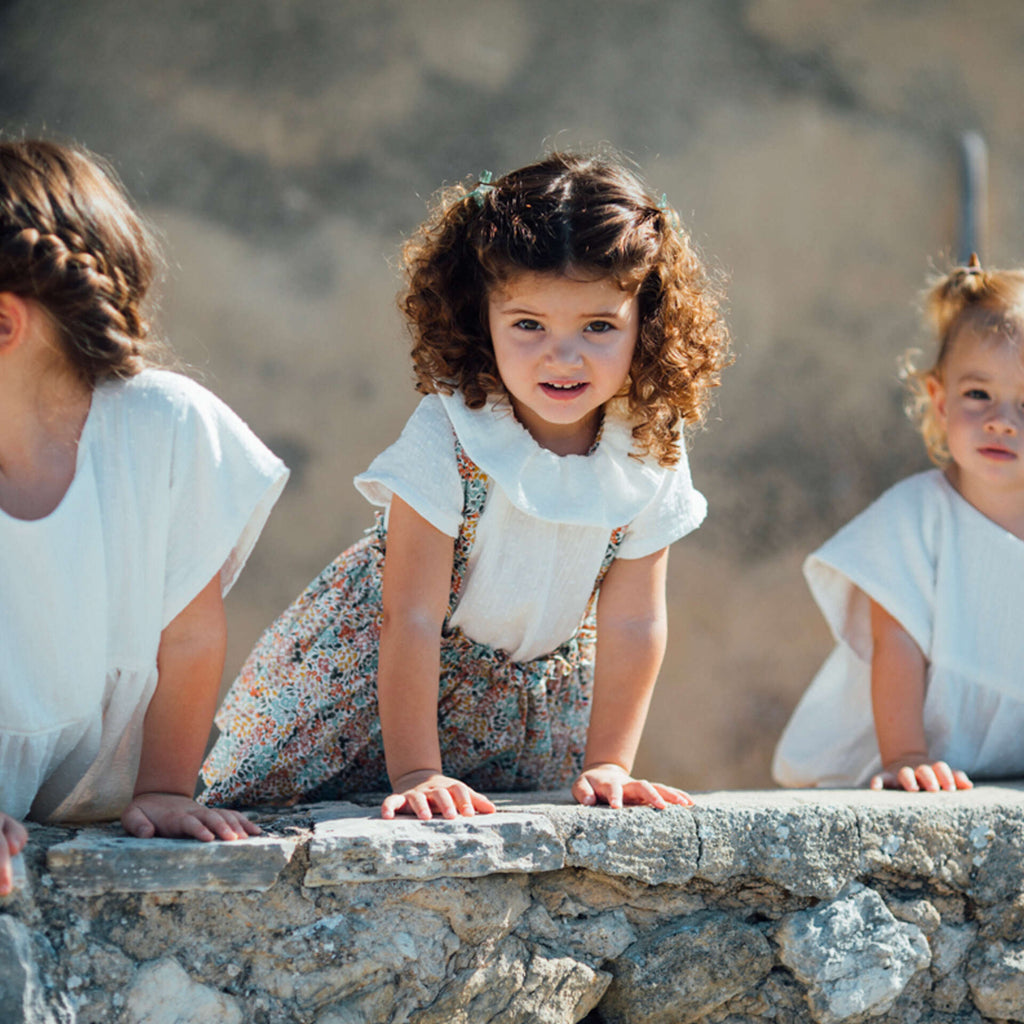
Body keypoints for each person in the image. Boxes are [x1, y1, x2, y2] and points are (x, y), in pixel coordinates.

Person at [201, 151, 730, 821]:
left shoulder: (648, 443)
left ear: (644, 322)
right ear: (482, 316)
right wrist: (419, 770)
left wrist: (609, 764)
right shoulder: (452, 433)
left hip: (524, 716)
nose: (562, 355)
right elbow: (411, 616)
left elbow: (633, 621)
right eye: (529, 324)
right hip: (377, 705)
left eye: (598, 326)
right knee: (304, 821)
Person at [0, 139, 289, 895]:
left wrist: (164, 786)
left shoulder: (165, 425)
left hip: (96, 791)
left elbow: (189, 633)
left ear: (4, 323)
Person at [773, 254, 1024, 792]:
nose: (1002, 420)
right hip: (908, 747)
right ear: (938, 399)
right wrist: (906, 753)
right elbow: (897, 648)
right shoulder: (915, 517)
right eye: (977, 394)